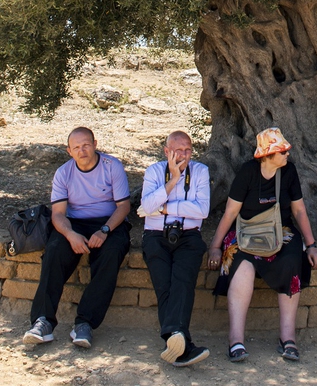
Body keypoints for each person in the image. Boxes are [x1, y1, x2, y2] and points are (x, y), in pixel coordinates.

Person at [206, 128, 317, 363]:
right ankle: (236, 339)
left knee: (292, 259)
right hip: (247, 231)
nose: (287, 154)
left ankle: (287, 338)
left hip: (281, 231)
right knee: (242, 264)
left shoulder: (289, 171)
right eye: (282, 151)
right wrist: (215, 247)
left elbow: (299, 210)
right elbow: (230, 213)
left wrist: (311, 245)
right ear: (267, 155)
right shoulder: (248, 173)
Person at [24, 127, 131, 348]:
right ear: (69, 151)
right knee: (54, 251)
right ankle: (43, 321)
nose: (82, 151)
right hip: (74, 223)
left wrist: (104, 231)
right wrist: (71, 235)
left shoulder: (112, 167)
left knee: (111, 253)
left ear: (95, 144)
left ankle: (85, 324)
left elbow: (123, 207)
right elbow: (58, 214)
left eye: (86, 145)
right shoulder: (63, 173)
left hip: (108, 222)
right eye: (76, 147)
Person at [140, 130, 210, 367]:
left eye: (188, 150)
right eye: (178, 150)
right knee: (164, 285)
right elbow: (146, 205)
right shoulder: (153, 171)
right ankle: (181, 344)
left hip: (188, 235)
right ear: (167, 151)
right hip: (155, 235)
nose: (184, 154)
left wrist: (166, 209)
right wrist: (172, 181)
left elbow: (202, 211)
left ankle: (174, 341)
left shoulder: (200, 171)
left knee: (183, 279)